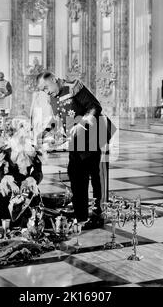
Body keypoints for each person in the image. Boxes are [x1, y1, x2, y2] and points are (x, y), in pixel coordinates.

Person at [37, 72, 115, 230]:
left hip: (96, 135)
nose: (46, 91)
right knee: (75, 174)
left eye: (46, 87)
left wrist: (81, 124)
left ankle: (100, 213)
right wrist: (45, 131)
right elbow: (57, 118)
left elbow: (95, 107)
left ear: (53, 79)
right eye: (42, 90)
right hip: (77, 141)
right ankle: (81, 215)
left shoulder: (73, 87)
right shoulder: (52, 97)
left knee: (97, 177)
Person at [0, 117, 44, 228]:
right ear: (14, 133)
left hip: (27, 186)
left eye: (26, 132)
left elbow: (39, 171)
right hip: (10, 187)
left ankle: (30, 227)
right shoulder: (6, 149)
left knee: (31, 214)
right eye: (22, 132)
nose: (25, 135)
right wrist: (7, 181)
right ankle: (7, 228)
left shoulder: (31, 149)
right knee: (6, 214)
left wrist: (32, 179)